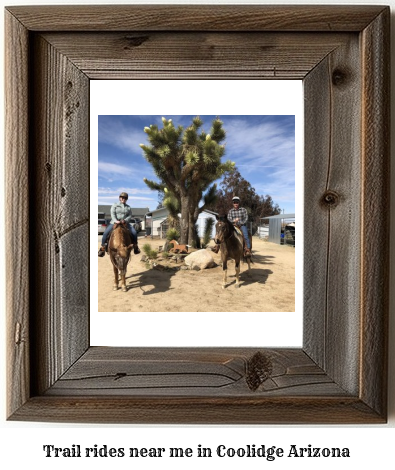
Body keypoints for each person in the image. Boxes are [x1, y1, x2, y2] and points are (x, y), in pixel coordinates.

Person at [98, 192, 140, 257]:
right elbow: (112, 214)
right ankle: (103, 248)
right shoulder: (115, 205)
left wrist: (125, 220)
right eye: (122, 197)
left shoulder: (128, 207)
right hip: (114, 222)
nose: (123, 199)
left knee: (134, 232)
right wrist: (115, 220)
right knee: (105, 233)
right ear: (120, 198)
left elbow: (129, 215)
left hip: (125, 223)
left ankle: (135, 246)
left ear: (127, 199)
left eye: (125, 198)